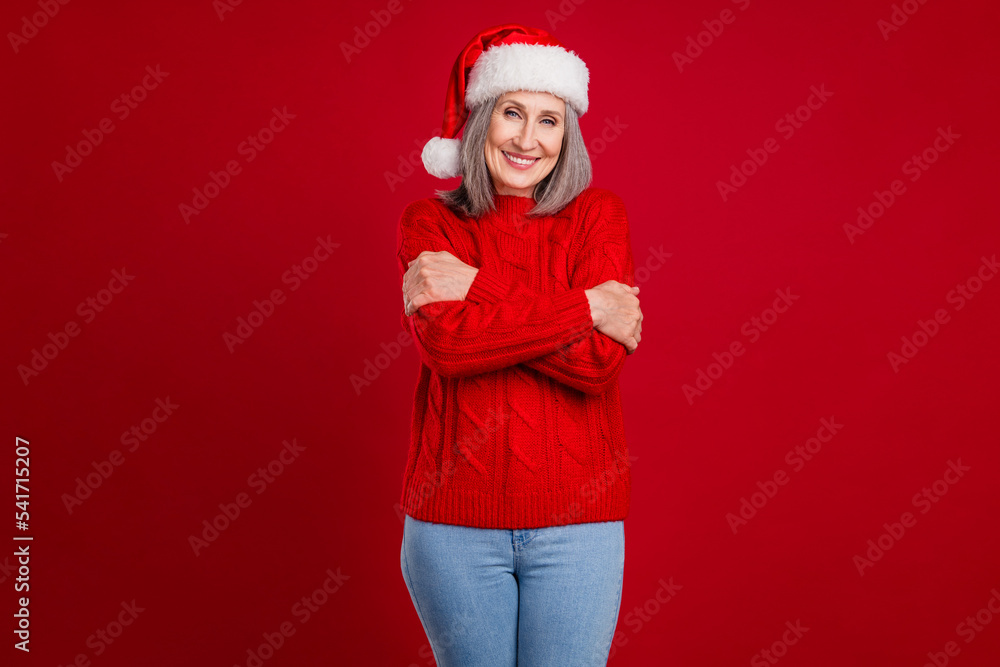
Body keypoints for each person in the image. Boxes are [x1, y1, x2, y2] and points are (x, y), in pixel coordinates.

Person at [396, 24, 643, 666]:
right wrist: (587, 305)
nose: (529, 139)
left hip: (579, 525)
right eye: (512, 113)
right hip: (452, 525)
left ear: (569, 135)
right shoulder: (430, 223)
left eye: (549, 120)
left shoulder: (599, 216)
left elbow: (595, 364)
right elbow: (448, 346)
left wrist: (474, 283)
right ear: (483, 119)